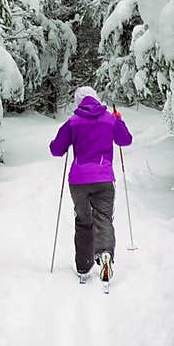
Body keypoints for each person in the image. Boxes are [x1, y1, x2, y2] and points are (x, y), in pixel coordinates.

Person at [49, 86, 132, 284]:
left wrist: (65, 140)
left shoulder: (73, 122)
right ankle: (105, 255)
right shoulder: (109, 119)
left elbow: (56, 150)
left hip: (78, 181)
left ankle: (83, 266)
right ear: (96, 99)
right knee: (103, 219)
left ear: (79, 102)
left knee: (83, 221)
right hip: (103, 179)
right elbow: (125, 140)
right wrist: (119, 120)